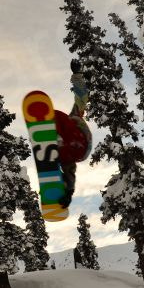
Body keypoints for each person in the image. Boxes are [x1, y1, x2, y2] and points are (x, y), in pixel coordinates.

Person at [55, 59, 92, 208]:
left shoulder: (69, 121)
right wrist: (69, 192)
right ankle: (65, 185)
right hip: (79, 151)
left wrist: (77, 74)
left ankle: (66, 183)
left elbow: (81, 98)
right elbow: (82, 98)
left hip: (79, 141)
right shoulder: (66, 152)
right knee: (66, 163)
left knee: (57, 116)